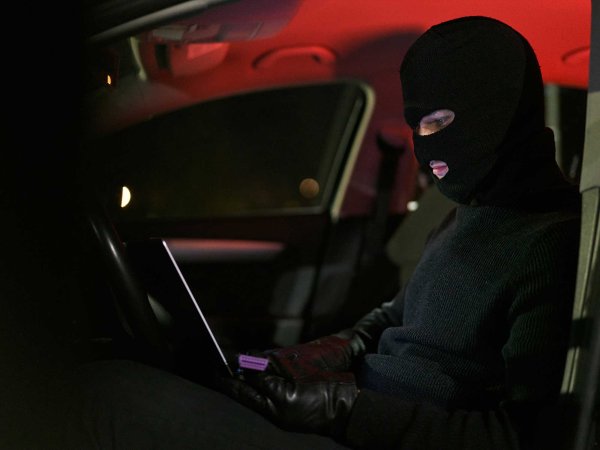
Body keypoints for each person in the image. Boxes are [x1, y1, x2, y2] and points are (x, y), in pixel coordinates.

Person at [41, 15, 580, 450]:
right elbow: (393, 318)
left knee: (102, 397)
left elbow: (517, 438)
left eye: (437, 121)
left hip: (368, 436)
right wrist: (311, 361)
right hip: (354, 416)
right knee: (156, 375)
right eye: (414, 125)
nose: (423, 145)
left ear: (498, 111)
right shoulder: (467, 214)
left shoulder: (551, 246)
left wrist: (341, 411)